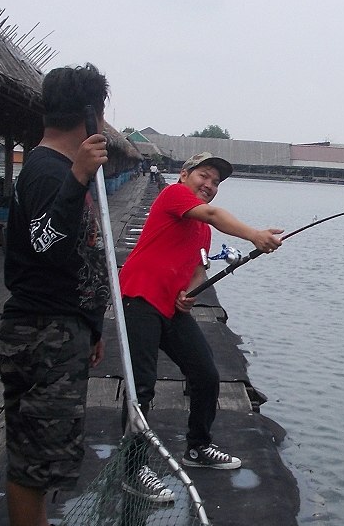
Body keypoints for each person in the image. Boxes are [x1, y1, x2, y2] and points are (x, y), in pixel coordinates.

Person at [0, 63, 164, 526]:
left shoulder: (57, 169)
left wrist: (90, 325)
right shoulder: (49, 171)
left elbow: (70, 257)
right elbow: (46, 241)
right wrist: (74, 182)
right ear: (94, 114)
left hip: (62, 327)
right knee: (34, 449)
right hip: (41, 331)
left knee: (49, 442)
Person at [120, 152, 283, 470]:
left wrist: (189, 294)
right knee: (141, 386)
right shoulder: (173, 194)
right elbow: (212, 213)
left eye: (216, 181)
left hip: (170, 307)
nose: (209, 184)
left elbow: (197, 271)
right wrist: (254, 235)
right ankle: (132, 466)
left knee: (206, 376)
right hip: (139, 296)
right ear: (184, 175)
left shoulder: (202, 231)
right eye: (204, 175)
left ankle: (198, 448)